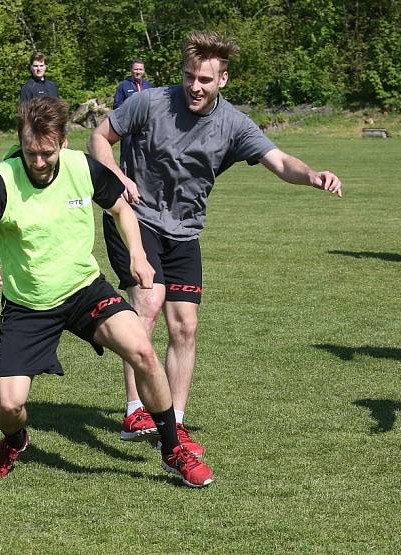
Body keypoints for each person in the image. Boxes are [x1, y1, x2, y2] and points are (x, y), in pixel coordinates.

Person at [88, 31, 343, 453]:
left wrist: (312, 174)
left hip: (185, 229)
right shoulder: (149, 102)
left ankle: (176, 420)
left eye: (205, 79)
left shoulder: (234, 124)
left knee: (185, 327)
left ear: (222, 80)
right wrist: (117, 176)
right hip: (136, 218)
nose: (195, 86)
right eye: (190, 76)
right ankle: (136, 410)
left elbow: (279, 161)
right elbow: (100, 137)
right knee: (147, 306)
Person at [0, 96, 214, 488]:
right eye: (29, 152)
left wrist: (139, 257)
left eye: (46, 153)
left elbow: (122, 208)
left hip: (85, 291)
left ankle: (172, 449)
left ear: (63, 143)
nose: (37, 162)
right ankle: (14, 441)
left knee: (142, 349)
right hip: (28, 306)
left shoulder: (81, 168)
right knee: (8, 405)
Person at [112, 58, 154, 170]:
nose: (138, 72)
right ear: (131, 70)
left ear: (144, 70)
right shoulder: (123, 85)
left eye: (140, 69)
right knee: (126, 154)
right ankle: (124, 176)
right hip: (128, 127)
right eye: (136, 69)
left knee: (145, 153)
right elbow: (117, 105)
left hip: (145, 127)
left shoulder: (149, 86)